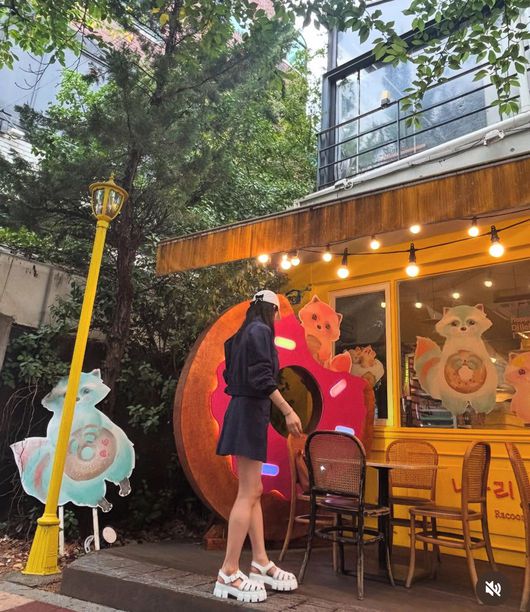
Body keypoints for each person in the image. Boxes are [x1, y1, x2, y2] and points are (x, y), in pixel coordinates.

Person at [213, 289, 303, 603]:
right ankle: (228, 571)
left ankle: (260, 562)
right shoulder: (262, 331)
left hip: (241, 410)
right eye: (278, 314)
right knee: (248, 492)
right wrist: (288, 411)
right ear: (272, 311)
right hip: (250, 413)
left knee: (254, 489)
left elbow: (232, 375)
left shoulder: (239, 336)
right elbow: (263, 378)